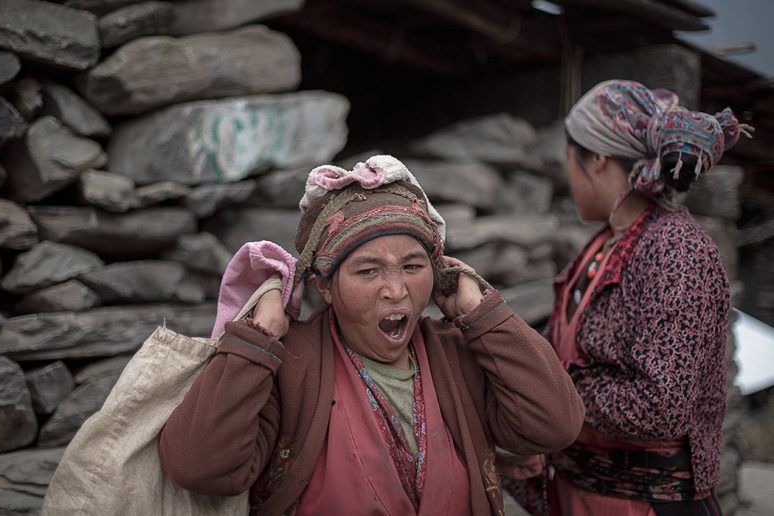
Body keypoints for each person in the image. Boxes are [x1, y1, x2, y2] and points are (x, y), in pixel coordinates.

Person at [158, 155, 585, 515]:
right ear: (323, 285)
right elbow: (201, 468)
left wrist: (481, 314)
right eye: (368, 271)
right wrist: (258, 336)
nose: (396, 290)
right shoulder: (289, 366)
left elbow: (555, 425)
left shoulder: (458, 354)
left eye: (413, 267)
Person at [509, 80, 752, 515]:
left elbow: (661, 406)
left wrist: (554, 393)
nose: (568, 175)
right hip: (581, 495)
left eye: (570, 159)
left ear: (597, 160)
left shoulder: (676, 251)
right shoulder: (604, 245)